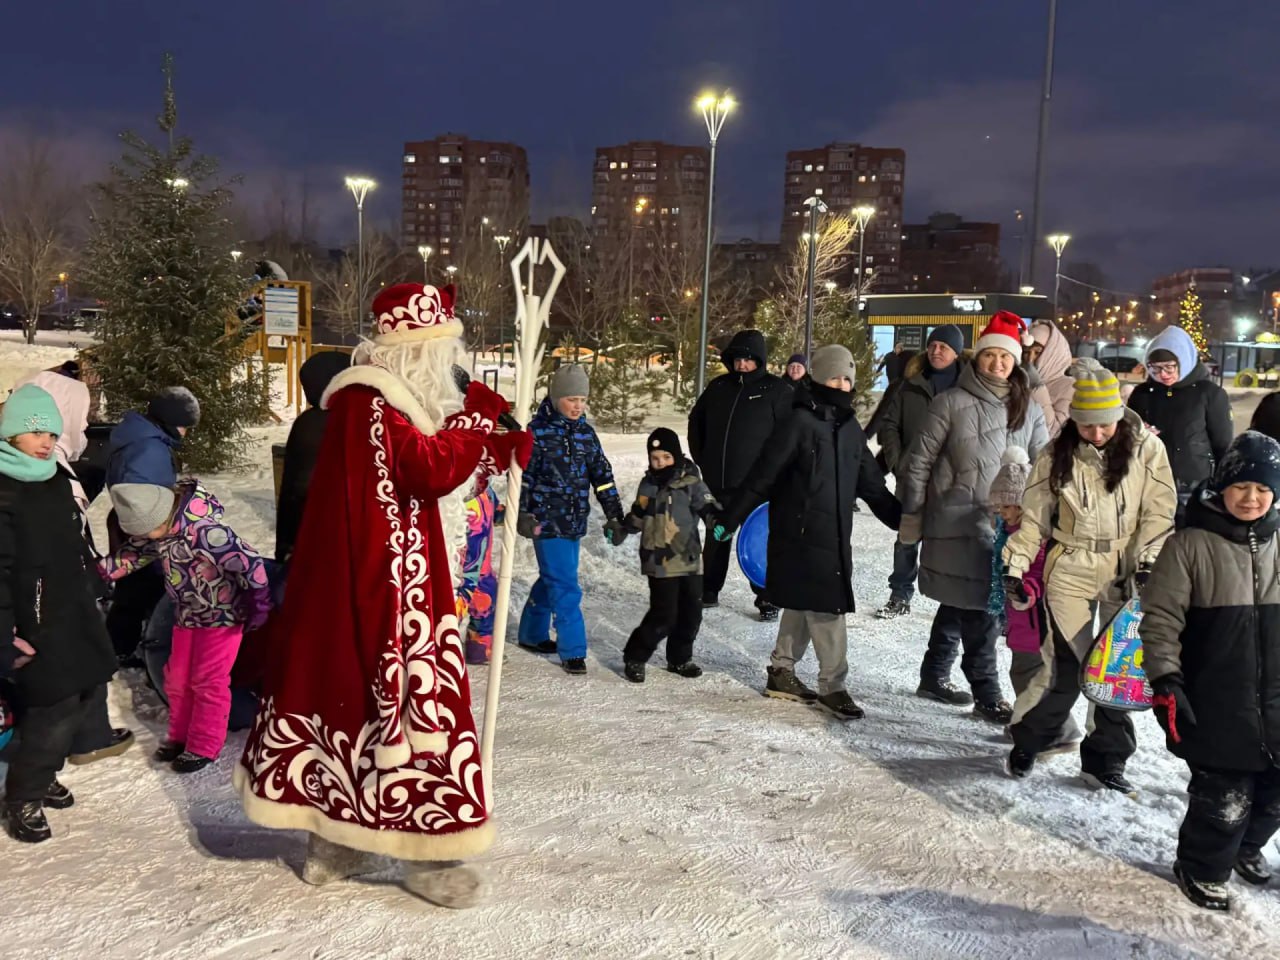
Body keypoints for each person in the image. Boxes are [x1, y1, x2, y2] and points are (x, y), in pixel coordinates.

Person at [235, 282, 530, 908]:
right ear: (413, 354)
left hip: (378, 585)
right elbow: (425, 470)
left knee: (351, 710)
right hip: (387, 593)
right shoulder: (371, 402)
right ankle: (423, 853)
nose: (448, 370)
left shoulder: (378, 404)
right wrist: (477, 423)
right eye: (440, 353)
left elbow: (424, 469)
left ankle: (338, 841)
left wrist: (491, 446)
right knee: (401, 712)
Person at [1003, 359, 1177, 792]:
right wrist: (1016, 564)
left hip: (1126, 569)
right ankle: (1031, 739)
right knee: (1065, 667)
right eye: (1086, 426)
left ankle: (1105, 760)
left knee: (1115, 672)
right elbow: (1034, 519)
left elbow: (1159, 511)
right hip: (1072, 567)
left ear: (1119, 417)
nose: (1097, 434)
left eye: (1105, 426)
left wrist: (1150, 559)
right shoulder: (1054, 455)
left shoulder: (1147, 450)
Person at [716, 345, 902, 720]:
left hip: (833, 534)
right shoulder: (797, 423)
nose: (841, 384)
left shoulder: (849, 429)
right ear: (817, 377)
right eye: (834, 377)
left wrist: (905, 520)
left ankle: (781, 671)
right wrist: (730, 517)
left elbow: (872, 486)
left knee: (803, 601)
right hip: (798, 533)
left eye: (847, 378)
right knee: (826, 606)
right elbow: (762, 476)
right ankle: (833, 686)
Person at [1140, 431, 1280, 911]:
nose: (1252, 498)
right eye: (1242, 487)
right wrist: (1166, 681)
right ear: (1222, 486)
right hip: (1218, 697)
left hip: (1278, 699)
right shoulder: (1189, 546)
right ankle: (1202, 866)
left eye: (1264, 489)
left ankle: (1247, 846)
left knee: (1274, 794)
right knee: (1224, 799)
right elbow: (1160, 620)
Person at [898, 311, 1048, 721]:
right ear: (976, 358)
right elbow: (919, 461)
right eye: (989, 356)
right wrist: (913, 512)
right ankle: (987, 691)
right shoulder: (950, 402)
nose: (997, 363)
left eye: (1005, 356)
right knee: (982, 608)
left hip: (1009, 528)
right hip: (956, 522)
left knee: (964, 603)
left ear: (1016, 361)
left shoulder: (1030, 410)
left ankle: (933, 673)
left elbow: (1044, 467)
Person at [0, 385, 116, 843]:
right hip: (31, 620)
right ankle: (22, 796)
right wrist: (5, 635)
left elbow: (70, 540)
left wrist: (92, 577)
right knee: (56, 703)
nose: (46, 441)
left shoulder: (50, 476)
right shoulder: (4, 490)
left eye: (51, 431)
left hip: (70, 608)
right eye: (34, 433)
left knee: (82, 692)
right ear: (10, 435)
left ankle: (40, 771)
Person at [101, 480, 271, 773]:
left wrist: (259, 601)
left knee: (208, 681)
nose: (142, 538)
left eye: (143, 532)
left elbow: (250, 561)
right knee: (176, 678)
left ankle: (204, 745)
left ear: (159, 517)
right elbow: (132, 555)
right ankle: (181, 736)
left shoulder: (206, 533)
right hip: (187, 616)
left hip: (223, 618)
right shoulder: (160, 531)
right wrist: (96, 574)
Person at [14, 371, 133, 766]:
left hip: (55, 585)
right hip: (54, 589)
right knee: (75, 666)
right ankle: (81, 740)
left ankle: (81, 737)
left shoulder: (48, 460)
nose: (83, 425)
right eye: (79, 416)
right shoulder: (48, 467)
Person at [517, 363, 624, 675]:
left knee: (553, 578)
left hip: (575, 521)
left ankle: (532, 633)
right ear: (555, 398)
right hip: (545, 521)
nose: (578, 406)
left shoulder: (586, 435)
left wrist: (614, 516)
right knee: (565, 584)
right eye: (571, 399)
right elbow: (523, 477)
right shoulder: (536, 433)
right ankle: (573, 650)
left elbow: (602, 478)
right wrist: (523, 512)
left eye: (582, 399)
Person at [687, 329, 793, 619]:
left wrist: (777, 475)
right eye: (737, 359)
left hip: (757, 488)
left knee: (758, 542)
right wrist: (704, 460)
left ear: (760, 360)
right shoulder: (719, 387)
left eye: (748, 359)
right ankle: (708, 590)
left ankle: (767, 596)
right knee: (717, 536)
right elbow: (696, 423)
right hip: (719, 482)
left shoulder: (777, 391)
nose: (742, 365)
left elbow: (789, 437)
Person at [987, 447, 1080, 750]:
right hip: (1021, 620)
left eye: (1005, 506)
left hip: (1034, 620)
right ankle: (1033, 724)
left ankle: (1057, 730)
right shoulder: (1012, 531)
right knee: (1028, 674)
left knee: (1031, 676)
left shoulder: (1033, 538)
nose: (1000, 512)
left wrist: (1027, 590)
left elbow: (1042, 573)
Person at [103, 386, 201, 663]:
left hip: (136, 521)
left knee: (134, 584)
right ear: (169, 422)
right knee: (141, 586)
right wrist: (161, 523)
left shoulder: (144, 437)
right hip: (144, 524)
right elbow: (139, 493)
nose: (185, 433)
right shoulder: (149, 448)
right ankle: (125, 645)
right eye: (184, 426)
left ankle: (122, 642)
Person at [874, 324, 966, 618]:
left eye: (944, 347)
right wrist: (898, 461)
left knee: (952, 543)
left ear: (956, 352)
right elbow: (889, 424)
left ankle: (953, 602)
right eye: (933, 345)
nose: (936, 351)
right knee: (907, 540)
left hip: (953, 483)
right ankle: (899, 595)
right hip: (912, 478)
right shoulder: (909, 384)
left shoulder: (967, 388)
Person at [619, 427, 719, 683]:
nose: (660, 462)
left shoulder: (691, 483)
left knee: (691, 612)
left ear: (676, 455)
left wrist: (717, 521)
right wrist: (624, 528)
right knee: (664, 614)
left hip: (689, 559)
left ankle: (679, 658)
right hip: (659, 561)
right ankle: (635, 655)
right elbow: (639, 514)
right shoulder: (649, 484)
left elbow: (707, 506)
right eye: (655, 458)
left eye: (666, 457)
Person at [1127, 326, 1233, 525]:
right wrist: (1140, 433)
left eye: (1169, 367)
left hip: (1195, 484)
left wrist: (1222, 485)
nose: (1163, 374)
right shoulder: (1142, 394)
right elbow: (1126, 435)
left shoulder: (1209, 394)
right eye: (1155, 368)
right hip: (1149, 481)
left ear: (1183, 361)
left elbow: (1223, 443)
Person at [275, 351, 351, 564]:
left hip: (312, 533)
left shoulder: (308, 423)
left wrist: (285, 546)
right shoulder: (361, 418)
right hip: (346, 537)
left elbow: (293, 489)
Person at [1025, 319, 1074, 439]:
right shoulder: (1017, 382)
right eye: (1026, 352)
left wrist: (1037, 388)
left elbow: (1053, 432)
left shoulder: (1070, 387)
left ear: (1052, 353)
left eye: (1038, 352)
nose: (1030, 359)